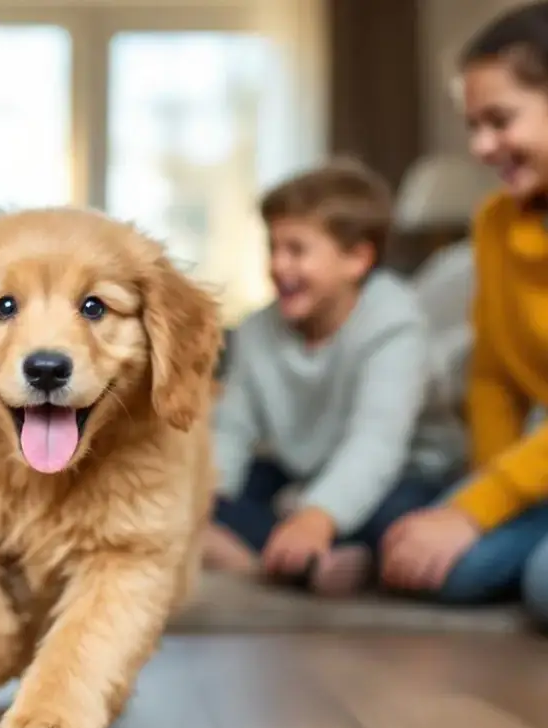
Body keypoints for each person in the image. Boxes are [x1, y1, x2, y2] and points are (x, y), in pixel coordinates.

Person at [204, 158, 454, 596]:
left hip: (404, 470)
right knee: (203, 494)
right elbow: (233, 428)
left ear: (356, 259)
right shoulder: (256, 331)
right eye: (273, 247)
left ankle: (297, 550)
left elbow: (375, 445)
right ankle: (307, 560)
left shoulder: (395, 324)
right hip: (306, 468)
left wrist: (318, 514)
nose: (279, 266)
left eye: (297, 250)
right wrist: (206, 495)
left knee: (400, 518)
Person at [381, 1, 548, 619]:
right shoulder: (494, 225)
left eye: (500, 121)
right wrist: (479, 496)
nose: (481, 146)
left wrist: (476, 509)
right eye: (473, 125)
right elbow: (492, 378)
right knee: (439, 564)